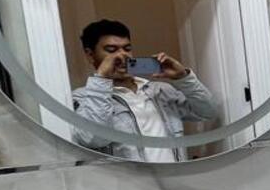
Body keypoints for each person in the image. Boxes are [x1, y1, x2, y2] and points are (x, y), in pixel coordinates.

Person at [71, 18, 219, 162]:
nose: (122, 55)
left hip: (174, 177)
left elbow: (208, 112)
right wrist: (102, 78)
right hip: (129, 179)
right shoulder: (82, 98)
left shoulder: (160, 90)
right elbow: (94, 139)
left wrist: (184, 78)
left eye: (127, 49)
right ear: (90, 55)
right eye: (111, 50)